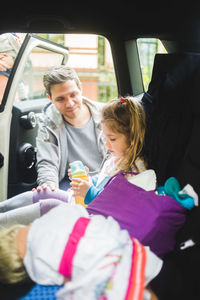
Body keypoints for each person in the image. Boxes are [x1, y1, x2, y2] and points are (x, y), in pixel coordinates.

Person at [0, 96, 188, 259]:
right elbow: (105, 182)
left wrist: (90, 191)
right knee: (48, 193)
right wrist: (89, 180)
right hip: (87, 206)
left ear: (132, 137)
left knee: (52, 206)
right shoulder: (116, 160)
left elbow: (120, 208)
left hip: (97, 220)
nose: (106, 144)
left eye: (112, 139)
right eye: (105, 137)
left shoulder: (139, 171)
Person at [0, 203, 162, 300]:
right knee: (137, 280)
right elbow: (78, 211)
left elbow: (63, 279)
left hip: (102, 264)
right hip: (115, 240)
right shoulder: (50, 217)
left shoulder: (35, 267)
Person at [35, 65, 108, 191]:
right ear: (50, 99)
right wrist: (48, 187)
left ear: (81, 89)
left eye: (73, 95)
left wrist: (98, 184)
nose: (69, 103)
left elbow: (118, 158)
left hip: (105, 179)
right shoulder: (47, 123)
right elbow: (47, 164)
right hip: (71, 184)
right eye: (60, 99)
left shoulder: (106, 114)